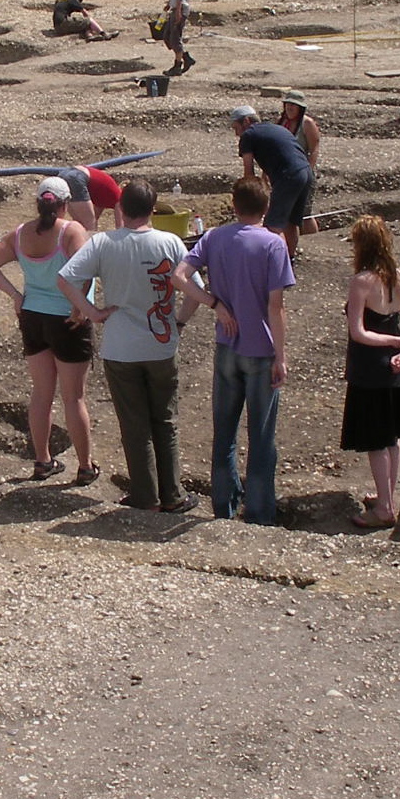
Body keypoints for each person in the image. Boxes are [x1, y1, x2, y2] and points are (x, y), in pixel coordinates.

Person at [56, 178, 197, 514]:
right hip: (161, 344)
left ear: (120, 208)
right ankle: (173, 494)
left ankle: (145, 497)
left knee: (134, 424)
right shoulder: (172, 242)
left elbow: (65, 278)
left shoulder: (104, 242)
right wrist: (179, 322)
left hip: (120, 348)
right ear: (153, 209)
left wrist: (91, 312)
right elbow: (194, 289)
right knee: (165, 420)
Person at [172, 176, 293, 524]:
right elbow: (276, 307)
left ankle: (223, 508)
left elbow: (180, 276)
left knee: (224, 433)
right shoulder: (273, 245)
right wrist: (281, 356)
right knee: (261, 436)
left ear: (233, 204)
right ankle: (259, 511)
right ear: (266, 207)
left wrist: (214, 304)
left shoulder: (213, 237)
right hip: (261, 349)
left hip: (227, 346)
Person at [0, 176, 99, 485]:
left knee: (42, 394)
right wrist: (80, 306)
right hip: (66, 319)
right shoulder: (71, 231)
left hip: (33, 316)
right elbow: (84, 271)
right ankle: (85, 467)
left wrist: (16, 296)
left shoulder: (20, 234)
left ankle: (42, 461)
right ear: (65, 203)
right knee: (74, 398)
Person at [342, 215, 400, 529]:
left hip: (370, 369)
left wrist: (392, 342)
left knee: (376, 440)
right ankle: (386, 494)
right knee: (392, 438)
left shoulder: (361, 282)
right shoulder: (398, 278)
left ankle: (384, 508)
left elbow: (358, 332)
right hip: (398, 368)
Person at [230, 105, 313, 259]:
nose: (236, 133)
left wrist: (247, 197)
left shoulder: (248, 135)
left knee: (272, 224)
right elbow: (278, 155)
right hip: (306, 172)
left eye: (236, 127)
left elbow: (248, 171)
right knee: (291, 222)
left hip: (289, 176)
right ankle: (289, 258)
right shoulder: (274, 128)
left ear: (246, 121)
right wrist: (264, 185)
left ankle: (273, 261)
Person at [276, 89, 321, 237]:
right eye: (287, 104)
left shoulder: (307, 124)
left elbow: (314, 149)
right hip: (285, 174)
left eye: (293, 105)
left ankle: (313, 240)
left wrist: (307, 171)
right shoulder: (282, 122)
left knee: (304, 212)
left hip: (302, 173)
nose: (289, 108)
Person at [56, 165, 123, 231]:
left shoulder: (105, 196)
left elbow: (94, 216)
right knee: (90, 227)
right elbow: (121, 229)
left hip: (64, 173)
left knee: (80, 224)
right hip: (76, 177)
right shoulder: (120, 200)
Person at [52, 0, 117, 41]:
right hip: (63, 24)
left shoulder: (61, 0)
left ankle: (89, 36)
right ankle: (103, 33)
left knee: (82, 23)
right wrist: (91, 23)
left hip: (57, 27)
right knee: (88, 20)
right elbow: (85, 13)